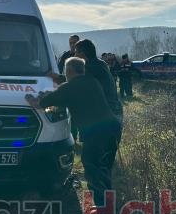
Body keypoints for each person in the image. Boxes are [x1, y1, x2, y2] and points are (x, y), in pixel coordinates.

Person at [26, 57, 120, 203]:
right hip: (113, 128)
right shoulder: (92, 81)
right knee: (104, 168)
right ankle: (109, 203)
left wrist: (31, 98)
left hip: (96, 134)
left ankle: (102, 211)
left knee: (92, 168)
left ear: (68, 71)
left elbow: (41, 104)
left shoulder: (68, 88)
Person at [74, 39, 123, 132]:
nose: (74, 56)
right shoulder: (101, 63)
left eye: (76, 53)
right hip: (114, 113)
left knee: (94, 145)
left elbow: (72, 85)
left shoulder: (89, 68)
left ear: (82, 54)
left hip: (104, 118)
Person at [57, 34, 81, 141]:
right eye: (71, 43)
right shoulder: (65, 56)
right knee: (68, 114)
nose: (72, 45)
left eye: (75, 43)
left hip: (81, 89)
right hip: (67, 88)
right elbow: (58, 70)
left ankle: (79, 137)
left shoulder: (83, 56)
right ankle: (70, 137)